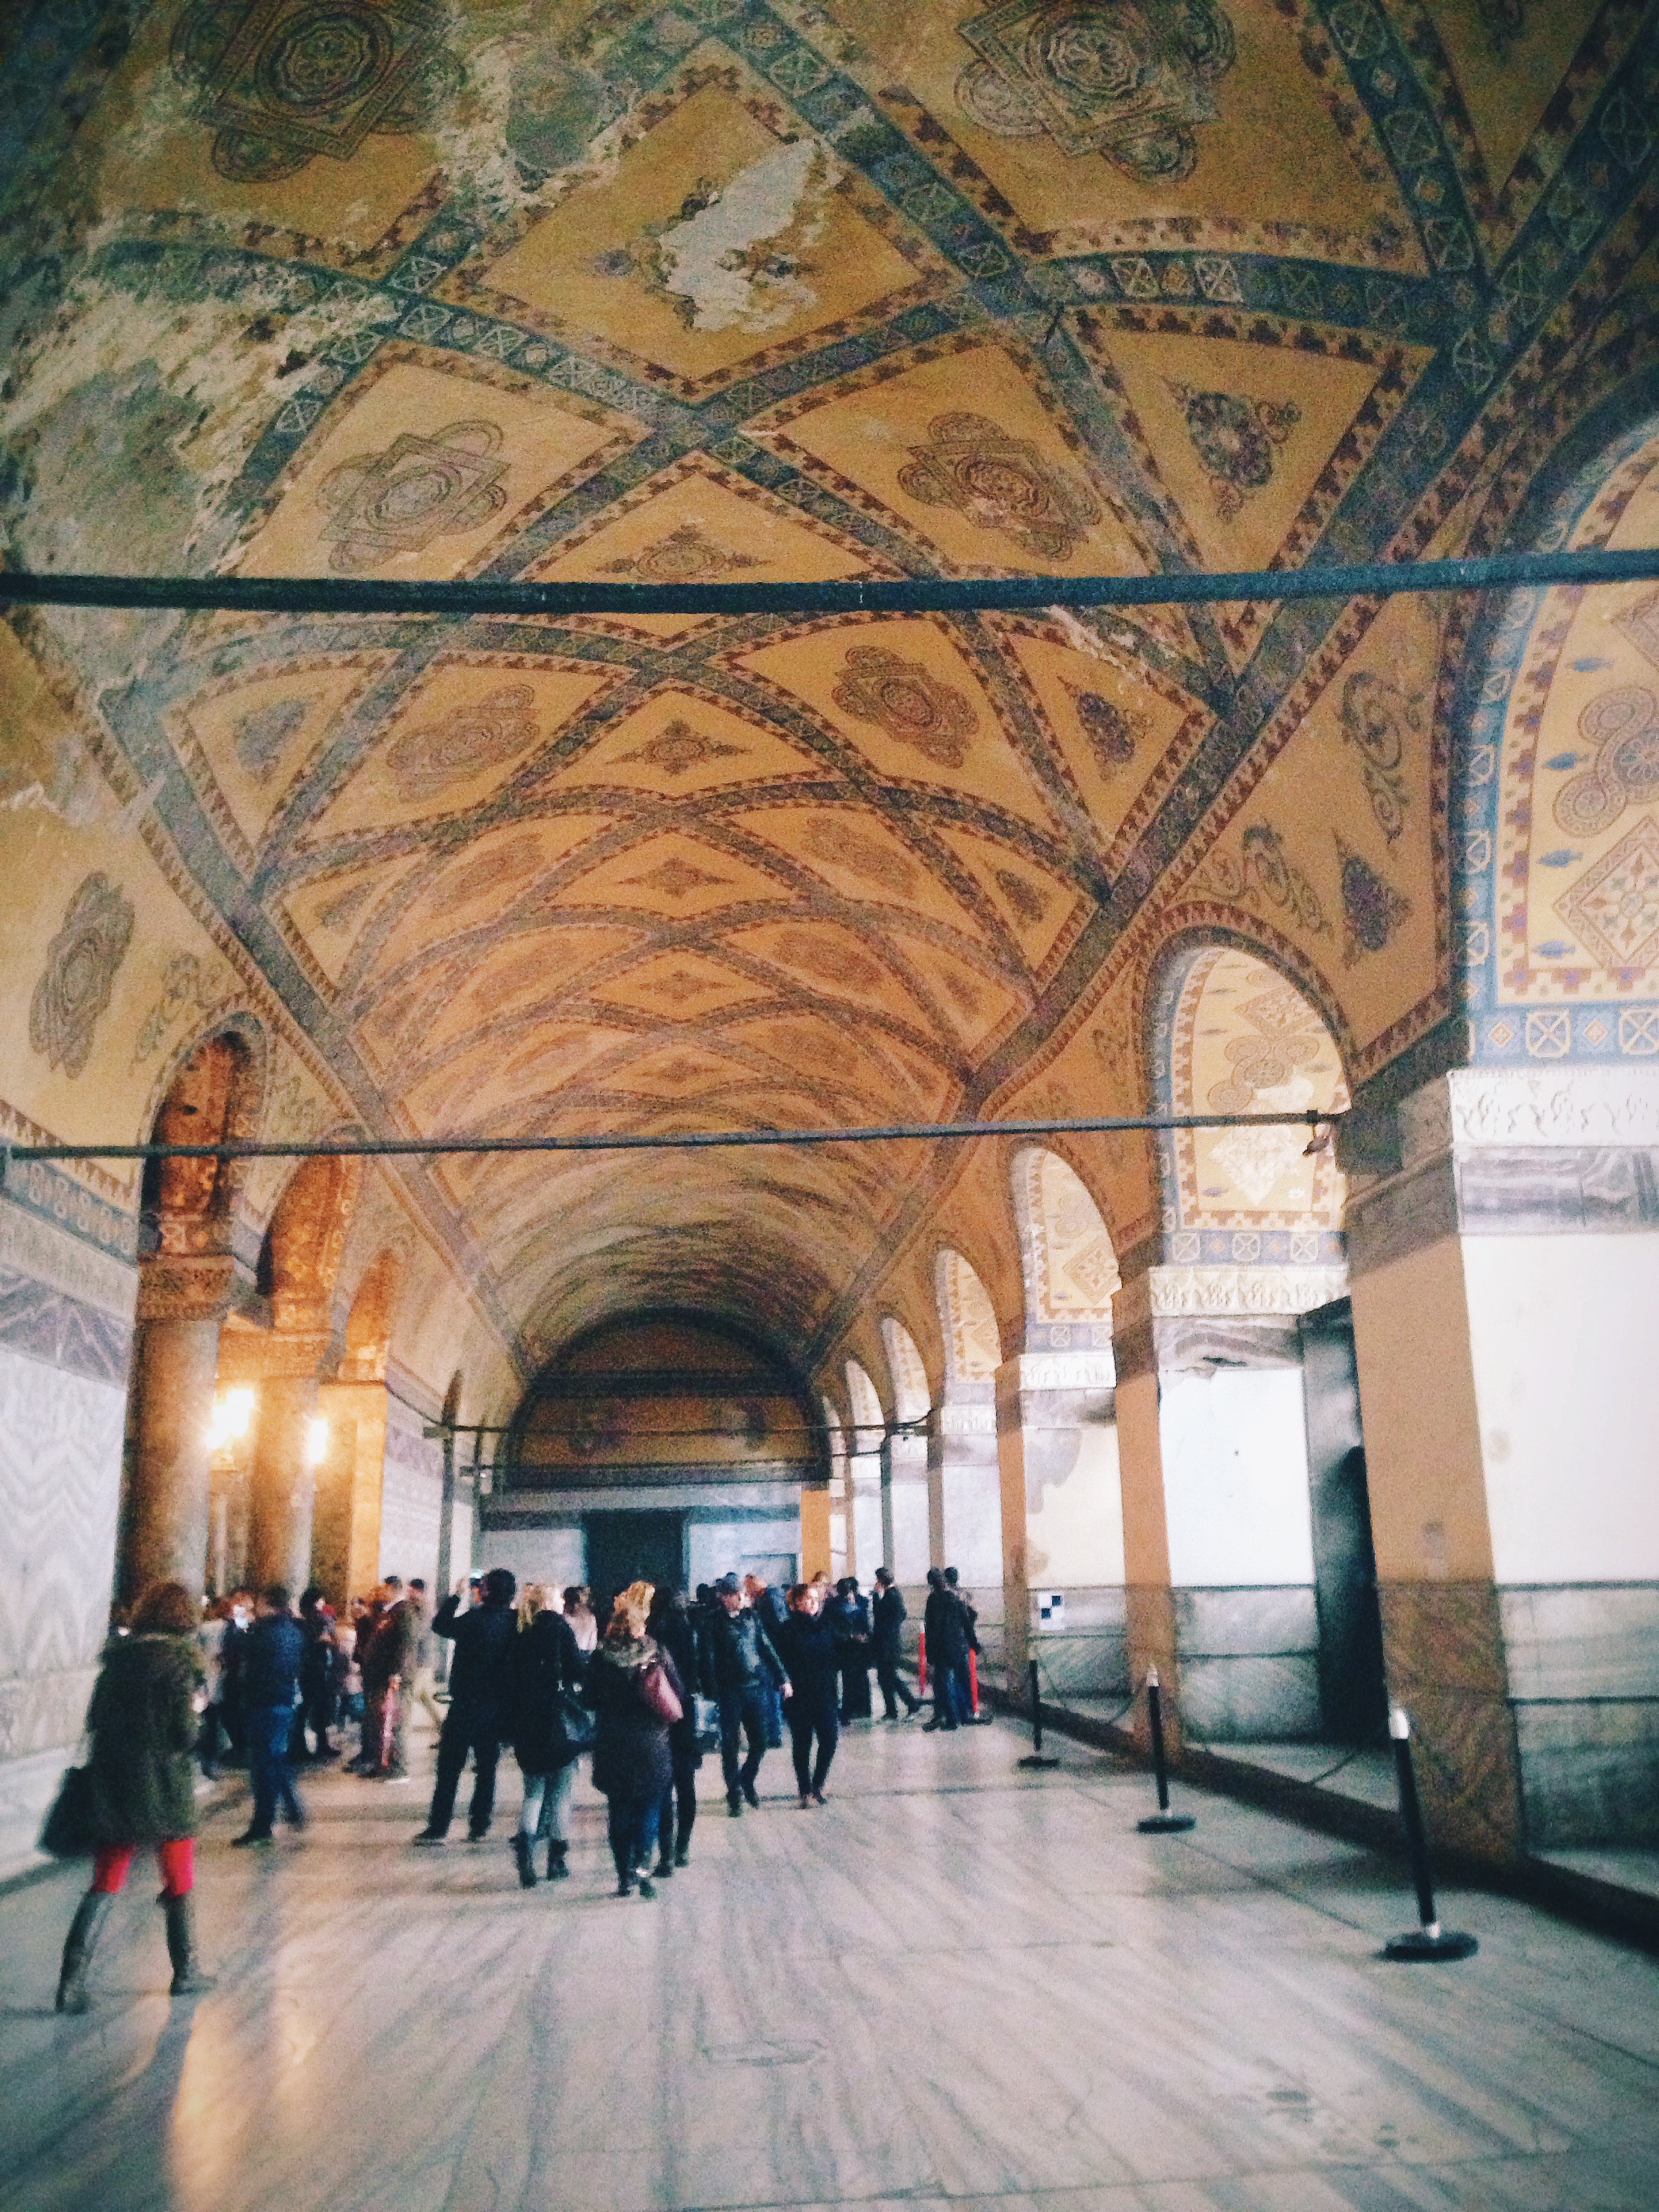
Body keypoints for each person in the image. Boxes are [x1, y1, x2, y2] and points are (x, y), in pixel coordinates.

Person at [55, 1580, 215, 2013]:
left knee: (107, 1877)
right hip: (165, 1786)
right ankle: (186, 1971)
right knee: (178, 1873)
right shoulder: (180, 1664)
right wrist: (197, 1714)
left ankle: (71, 1982)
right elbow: (184, 1734)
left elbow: (95, 1722)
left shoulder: (117, 1662)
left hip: (115, 1783)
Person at [588, 1580, 684, 1899]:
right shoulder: (656, 1652)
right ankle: (643, 1865)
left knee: (619, 1810)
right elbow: (677, 1692)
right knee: (650, 1806)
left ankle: (623, 1876)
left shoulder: (601, 1657)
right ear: (640, 1625)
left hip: (613, 1741)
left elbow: (589, 1699)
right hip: (652, 1742)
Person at [415, 1568, 518, 1844]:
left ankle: (438, 1827)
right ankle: (480, 1825)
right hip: (496, 1708)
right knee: (487, 1770)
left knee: (449, 1770)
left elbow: (440, 1626)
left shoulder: (474, 1619)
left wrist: (458, 1595)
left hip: (464, 1706)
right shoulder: (515, 1622)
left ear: (487, 1591)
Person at [508, 1584, 583, 1886]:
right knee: (562, 1793)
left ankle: (526, 1850)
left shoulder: (520, 1631)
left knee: (533, 1792)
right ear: (550, 1602)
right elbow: (576, 1670)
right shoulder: (561, 1629)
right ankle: (557, 1861)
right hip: (557, 1721)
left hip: (526, 1722)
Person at [702, 1573, 786, 1815]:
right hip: (729, 1691)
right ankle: (734, 1793)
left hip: (755, 1687)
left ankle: (746, 1779)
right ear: (724, 1598)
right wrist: (711, 1691)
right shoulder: (713, 1623)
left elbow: (766, 1648)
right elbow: (706, 1659)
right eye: (736, 1595)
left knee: (760, 1741)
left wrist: (783, 1678)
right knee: (730, 1745)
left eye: (743, 1594)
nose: (741, 1598)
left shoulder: (752, 1618)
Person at [233, 1584, 306, 1847]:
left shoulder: (264, 1631)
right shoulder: (293, 1630)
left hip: (263, 1703)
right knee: (275, 1758)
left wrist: (240, 1616)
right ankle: (293, 1808)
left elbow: (240, 1645)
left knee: (263, 1767)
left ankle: (262, 1826)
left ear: (266, 1603)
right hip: (285, 1700)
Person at [647, 1586, 702, 1875]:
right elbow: (701, 1672)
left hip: (659, 1714)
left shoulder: (652, 1634)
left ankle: (665, 1854)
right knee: (686, 1783)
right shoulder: (692, 1631)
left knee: (663, 1788)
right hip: (686, 1712)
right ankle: (683, 1847)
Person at [771, 1582, 840, 1806]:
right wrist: (783, 1682)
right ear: (797, 1602)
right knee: (803, 1743)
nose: (813, 1603)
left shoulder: (825, 1626)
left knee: (829, 1739)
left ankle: (818, 1785)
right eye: (808, 1599)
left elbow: (837, 1654)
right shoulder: (786, 1630)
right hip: (799, 1695)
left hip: (825, 1693)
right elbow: (777, 1661)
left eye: (816, 1599)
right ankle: (804, 1789)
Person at [361, 1576, 417, 1780]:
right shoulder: (390, 1612)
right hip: (380, 1676)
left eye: (385, 1588)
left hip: (394, 1678)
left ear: (394, 1589)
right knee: (379, 1723)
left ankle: (398, 1767)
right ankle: (380, 1764)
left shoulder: (405, 1612)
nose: (381, 1592)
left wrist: (396, 1673)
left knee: (396, 1723)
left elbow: (406, 1645)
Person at [872, 1568, 921, 1719]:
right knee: (884, 1678)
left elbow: (879, 1614)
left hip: (888, 1644)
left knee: (890, 1677)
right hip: (887, 1643)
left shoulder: (891, 1596)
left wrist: (875, 1596)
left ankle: (911, 1704)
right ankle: (891, 1709)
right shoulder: (893, 1595)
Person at [922, 1567, 967, 1732]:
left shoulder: (933, 1600)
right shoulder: (955, 1598)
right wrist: (972, 1642)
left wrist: (930, 1654)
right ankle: (961, 1715)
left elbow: (931, 1628)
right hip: (957, 1645)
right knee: (958, 1682)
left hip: (942, 1648)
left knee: (943, 1684)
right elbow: (967, 1619)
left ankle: (950, 1719)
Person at [297, 1586, 339, 1759]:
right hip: (319, 1668)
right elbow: (331, 1639)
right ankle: (322, 1744)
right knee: (320, 1707)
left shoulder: (301, 1621)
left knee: (303, 1708)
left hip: (304, 1668)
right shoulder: (322, 1619)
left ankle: (299, 1745)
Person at [827, 1575, 874, 1722]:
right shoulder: (841, 1604)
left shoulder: (835, 1605)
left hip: (851, 1646)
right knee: (855, 1678)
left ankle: (856, 1708)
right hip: (850, 1646)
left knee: (853, 1678)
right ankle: (858, 1708)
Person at [945, 1567, 985, 1723]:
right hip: (964, 1639)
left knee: (952, 1678)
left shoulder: (947, 1596)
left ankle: (955, 1708)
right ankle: (968, 1708)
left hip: (952, 1640)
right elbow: (974, 1613)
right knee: (965, 1677)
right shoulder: (966, 1594)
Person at [197, 1595, 231, 1776]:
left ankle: (207, 1761)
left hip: (207, 1680)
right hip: (224, 1681)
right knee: (217, 1723)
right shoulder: (231, 1627)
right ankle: (216, 1759)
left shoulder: (206, 1628)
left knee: (209, 1723)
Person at [407, 1578, 446, 1734]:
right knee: (424, 1697)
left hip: (423, 1659)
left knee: (410, 1695)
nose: (409, 1594)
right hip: (424, 1659)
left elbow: (418, 1634)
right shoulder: (420, 1608)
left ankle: (401, 1730)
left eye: (411, 1591)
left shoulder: (424, 1609)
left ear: (419, 1591)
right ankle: (444, 1728)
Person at [562, 1585, 598, 1656]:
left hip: (568, 1656)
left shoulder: (564, 1619)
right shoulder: (591, 1618)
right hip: (586, 1657)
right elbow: (592, 1645)